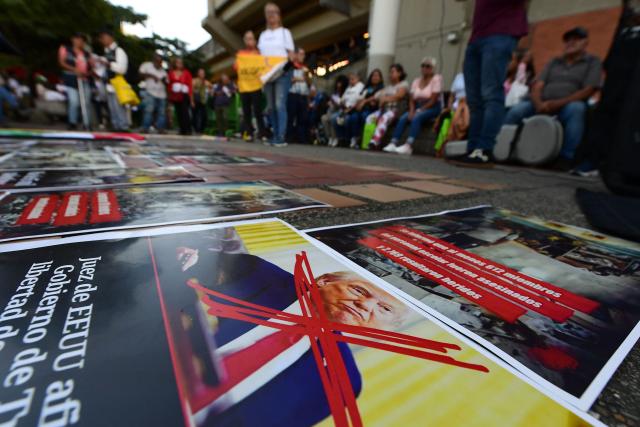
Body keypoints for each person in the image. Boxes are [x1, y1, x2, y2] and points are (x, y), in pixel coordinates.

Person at [169, 245, 408, 426]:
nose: (365, 305)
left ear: (385, 330)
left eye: (384, 309)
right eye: (359, 290)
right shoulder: (256, 273)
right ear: (322, 281)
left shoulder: (344, 383)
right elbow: (194, 261)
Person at [504, 27, 603, 170]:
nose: (570, 43)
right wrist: (539, 103)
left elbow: (588, 90)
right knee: (517, 111)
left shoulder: (593, 62)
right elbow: (538, 85)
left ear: (585, 42)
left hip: (566, 105)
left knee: (576, 109)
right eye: (568, 40)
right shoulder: (554, 61)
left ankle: (566, 158)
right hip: (541, 103)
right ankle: (503, 149)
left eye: (576, 39)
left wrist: (556, 103)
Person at [453, 0, 528, 167]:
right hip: (477, 36)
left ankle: (485, 149)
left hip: (501, 31)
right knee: (474, 99)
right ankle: (473, 148)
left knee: (491, 93)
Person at [385, 57, 443, 155]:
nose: (425, 68)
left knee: (417, 117)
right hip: (417, 105)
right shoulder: (416, 81)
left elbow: (433, 100)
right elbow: (412, 99)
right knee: (404, 117)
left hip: (432, 106)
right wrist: (412, 110)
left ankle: (409, 145)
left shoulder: (437, 79)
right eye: (423, 66)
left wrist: (420, 110)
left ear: (433, 68)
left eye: (428, 66)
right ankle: (393, 142)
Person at [258, 2, 295, 147]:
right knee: (271, 106)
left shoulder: (285, 32)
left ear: (279, 16)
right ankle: (274, 134)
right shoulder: (263, 35)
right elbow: (260, 57)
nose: (271, 15)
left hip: (281, 73)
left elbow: (291, 54)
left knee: (280, 104)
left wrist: (286, 68)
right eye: (268, 12)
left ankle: (280, 136)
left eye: (274, 12)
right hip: (267, 75)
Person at [365, 64, 409, 150]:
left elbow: (399, 96)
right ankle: (367, 141)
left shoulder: (403, 84)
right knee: (370, 117)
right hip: (385, 109)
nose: (390, 74)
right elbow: (376, 96)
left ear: (399, 73)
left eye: (393, 72)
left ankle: (375, 141)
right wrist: (364, 101)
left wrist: (385, 99)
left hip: (397, 110)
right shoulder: (388, 87)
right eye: (390, 72)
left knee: (384, 118)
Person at [235, 30, 267, 142]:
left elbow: (264, 67)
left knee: (258, 110)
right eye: (247, 38)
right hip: (244, 86)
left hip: (256, 86)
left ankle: (262, 133)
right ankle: (248, 133)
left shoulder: (259, 54)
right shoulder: (241, 54)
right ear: (244, 40)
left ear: (255, 40)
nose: (250, 41)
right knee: (246, 111)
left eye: (251, 38)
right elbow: (236, 67)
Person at [58, 33, 92, 130]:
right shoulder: (65, 49)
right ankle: (72, 122)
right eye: (77, 39)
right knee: (74, 101)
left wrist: (88, 72)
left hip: (84, 79)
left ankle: (87, 123)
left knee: (86, 102)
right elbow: (61, 62)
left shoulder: (86, 53)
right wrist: (74, 69)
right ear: (73, 39)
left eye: (81, 40)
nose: (79, 41)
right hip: (71, 78)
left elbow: (91, 66)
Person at [98, 28, 129, 131]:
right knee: (112, 107)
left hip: (117, 83)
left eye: (103, 38)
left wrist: (108, 64)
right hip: (108, 83)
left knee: (118, 107)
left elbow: (122, 69)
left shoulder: (119, 51)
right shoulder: (107, 51)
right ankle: (116, 127)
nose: (102, 40)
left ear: (110, 37)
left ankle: (123, 127)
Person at [346, 69, 384, 148]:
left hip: (374, 110)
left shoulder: (382, 88)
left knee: (364, 116)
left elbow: (376, 98)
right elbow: (360, 98)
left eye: (377, 76)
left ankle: (364, 139)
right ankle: (355, 137)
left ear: (380, 78)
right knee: (353, 117)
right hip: (363, 108)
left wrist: (365, 101)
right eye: (373, 75)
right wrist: (361, 102)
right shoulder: (367, 87)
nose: (375, 77)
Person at [286, 47, 311, 144]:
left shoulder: (305, 68)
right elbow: (287, 81)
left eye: (304, 54)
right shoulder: (290, 66)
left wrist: (307, 79)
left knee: (303, 118)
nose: (303, 56)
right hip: (292, 95)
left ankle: (302, 139)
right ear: (295, 55)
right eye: (301, 54)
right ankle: (288, 137)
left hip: (303, 95)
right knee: (290, 117)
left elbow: (309, 83)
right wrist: (298, 79)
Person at [138, 53, 168, 133]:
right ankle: (145, 127)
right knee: (149, 110)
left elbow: (167, 82)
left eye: (160, 62)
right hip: (150, 92)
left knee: (161, 112)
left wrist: (164, 80)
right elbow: (140, 74)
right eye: (157, 61)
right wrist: (151, 75)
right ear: (153, 61)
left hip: (161, 94)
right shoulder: (147, 66)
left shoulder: (163, 70)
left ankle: (160, 128)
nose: (159, 63)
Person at [168, 57, 193, 135]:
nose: (179, 64)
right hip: (175, 95)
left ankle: (188, 129)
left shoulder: (186, 72)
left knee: (185, 112)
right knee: (178, 112)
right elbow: (169, 84)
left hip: (184, 94)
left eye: (181, 63)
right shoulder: (171, 72)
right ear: (175, 63)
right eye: (178, 62)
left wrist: (191, 97)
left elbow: (190, 85)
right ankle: (182, 129)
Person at [321, 75, 348, 147]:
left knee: (332, 118)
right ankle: (329, 137)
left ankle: (335, 137)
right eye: (338, 83)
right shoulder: (335, 92)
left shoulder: (346, 92)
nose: (338, 85)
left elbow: (343, 105)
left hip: (340, 111)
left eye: (340, 83)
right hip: (332, 110)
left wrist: (337, 103)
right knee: (324, 118)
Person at [211, 74, 236, 139]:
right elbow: (215, 92)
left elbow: (234, 91)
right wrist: (219, 92)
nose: (225, 80)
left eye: (226, 79)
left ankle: (226, 132)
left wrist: (228, 91)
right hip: (217, 104)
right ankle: (220, 132)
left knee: (225, 118)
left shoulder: (230, 85)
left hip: (225, 104)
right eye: (223, 79)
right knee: (219, 119)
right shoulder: (219, 85)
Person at [192, 68, 211, 134]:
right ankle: (196, 129)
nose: (202, 74)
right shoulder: (194, 81)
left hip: (203, 101)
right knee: (195, 115)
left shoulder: (206, 82)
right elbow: (191, 91)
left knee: (204, 115)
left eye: (203, 73)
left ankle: (202, 129)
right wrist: (192, 101)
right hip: (196, 100)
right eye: (201, 73)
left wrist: (209, 90)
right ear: (198, 74)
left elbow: (211, 88)